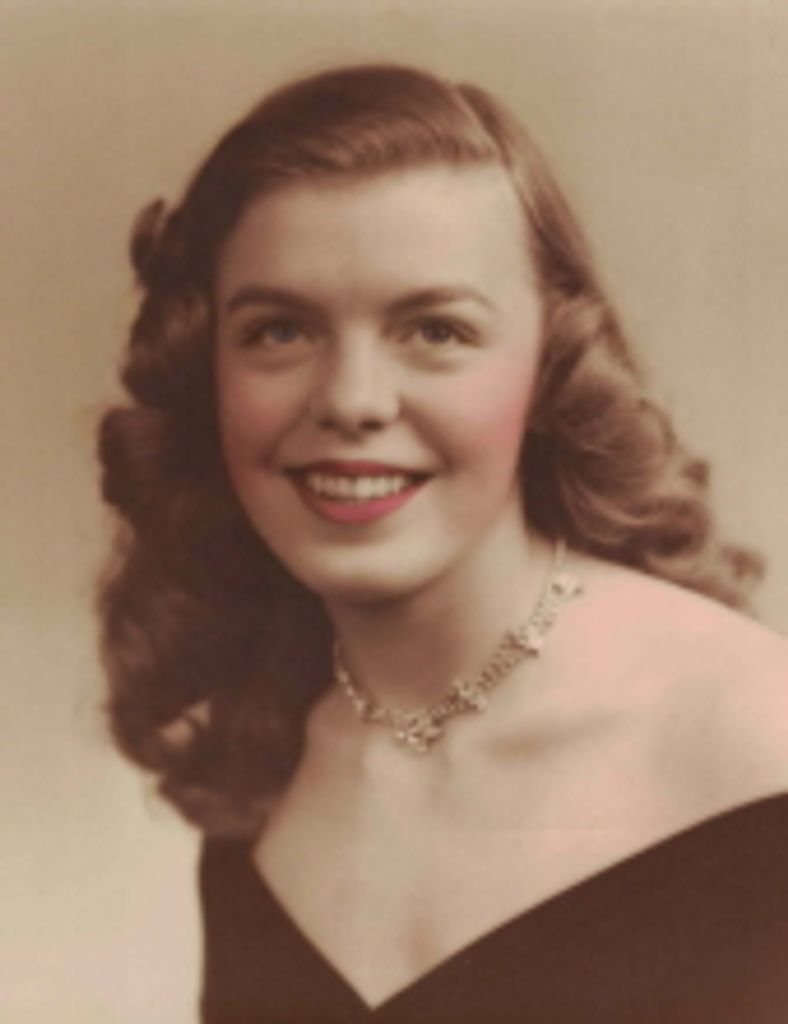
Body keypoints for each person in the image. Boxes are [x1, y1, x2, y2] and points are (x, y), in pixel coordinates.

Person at [97, 64, 788, 1022]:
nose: (351, 400)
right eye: (280, 331)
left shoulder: (757, 736)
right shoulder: (258, 749)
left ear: (551, 367)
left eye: (435, 329)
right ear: (207, 371)